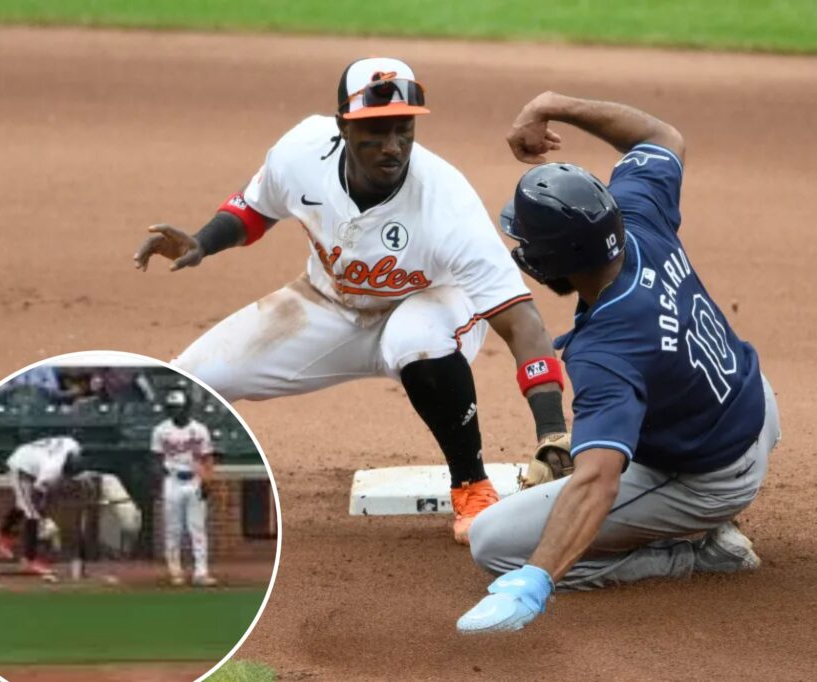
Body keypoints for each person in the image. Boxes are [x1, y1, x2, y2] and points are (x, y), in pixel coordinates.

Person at [133, 57, 569, 544]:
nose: (392, 146)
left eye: (403, 130)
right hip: (327, 304)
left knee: (416, 339)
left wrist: (551, 428)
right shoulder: (301, 151)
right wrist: (203, 242)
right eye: (374, 131)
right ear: (342, 125)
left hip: (434, 305)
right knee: (195, 380)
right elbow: (255, 209)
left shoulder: (446, 200)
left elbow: (521, 319)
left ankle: (471, 486)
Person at [456, 92, 782, 633]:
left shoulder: (607, 351)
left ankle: (693, 553)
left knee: (494, 544)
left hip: (714, 475)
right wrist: (554, 103)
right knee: (601, 447)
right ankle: (688, 515)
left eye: (527, 242)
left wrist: (536, 577)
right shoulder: (636, 217)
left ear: (548, 263)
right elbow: (662, 139)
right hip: (752, 405)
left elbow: (599, 482)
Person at [0, 434, 84, 576]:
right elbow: (39, 494)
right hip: (21, 467)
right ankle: (29, 559)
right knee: (32, 513)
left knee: (24, 505)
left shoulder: (73, 445)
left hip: (30, 459)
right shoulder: (52, 469)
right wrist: (43, 515)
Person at [151, 387, 216, 586]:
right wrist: (157, 482)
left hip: (194, 479)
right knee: (173, 529)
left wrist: (207, 481)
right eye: (172, 408)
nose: (175, 412)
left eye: (178, 408)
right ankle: (175, 570)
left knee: (197, 528)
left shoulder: (200, 429)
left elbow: (207, 458)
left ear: (187, 408)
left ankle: (201, 572)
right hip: (172, 480)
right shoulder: (161, 430)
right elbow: (156, 458)